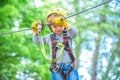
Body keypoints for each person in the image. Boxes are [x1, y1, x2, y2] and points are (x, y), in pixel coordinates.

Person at [32, 9, 79, 80]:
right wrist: (35, 31)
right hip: (56, 69)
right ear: (50, 27)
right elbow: (38, 41)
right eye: (55, 26)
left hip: (70, 67)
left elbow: (75, 33)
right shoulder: (49, 38)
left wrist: (65, 24)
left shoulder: (69, 34)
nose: (58, 28)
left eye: (60, 25)